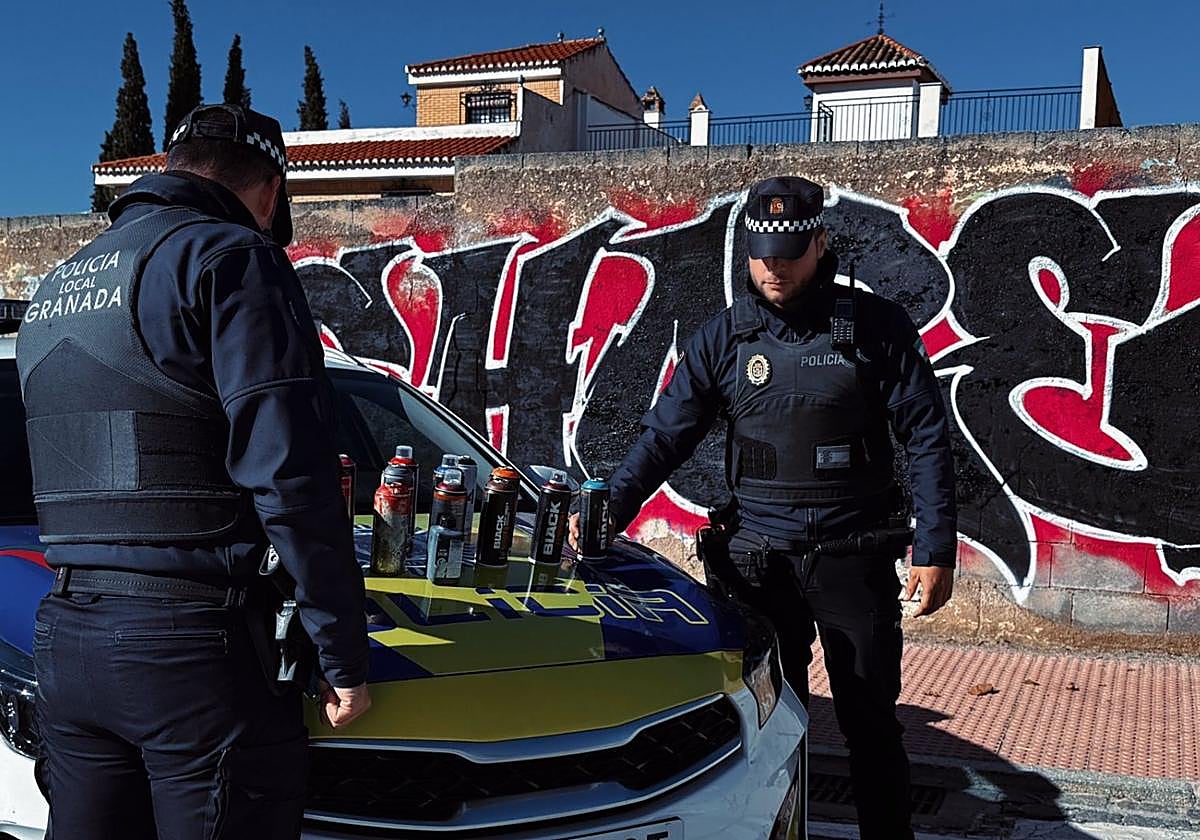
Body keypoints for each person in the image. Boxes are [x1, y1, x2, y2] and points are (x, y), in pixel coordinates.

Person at [16, 104, 371, 840]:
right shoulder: (231, 256)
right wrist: (341, 653)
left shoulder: (56, 288)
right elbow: (292, 475)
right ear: (271, 191)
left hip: (69, 638)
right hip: (194, 649)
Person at [573, 176, 957, 840]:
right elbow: (665, 437)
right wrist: (606, 515)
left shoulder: (876, 328)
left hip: (852, 558)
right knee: (769, 727)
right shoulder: (724, 339)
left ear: (820, 244)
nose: (774, 269)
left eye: (789, 254)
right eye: (761, 255)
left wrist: (936, 547)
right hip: (758, 563)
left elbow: (926, 436)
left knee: (870, 724)